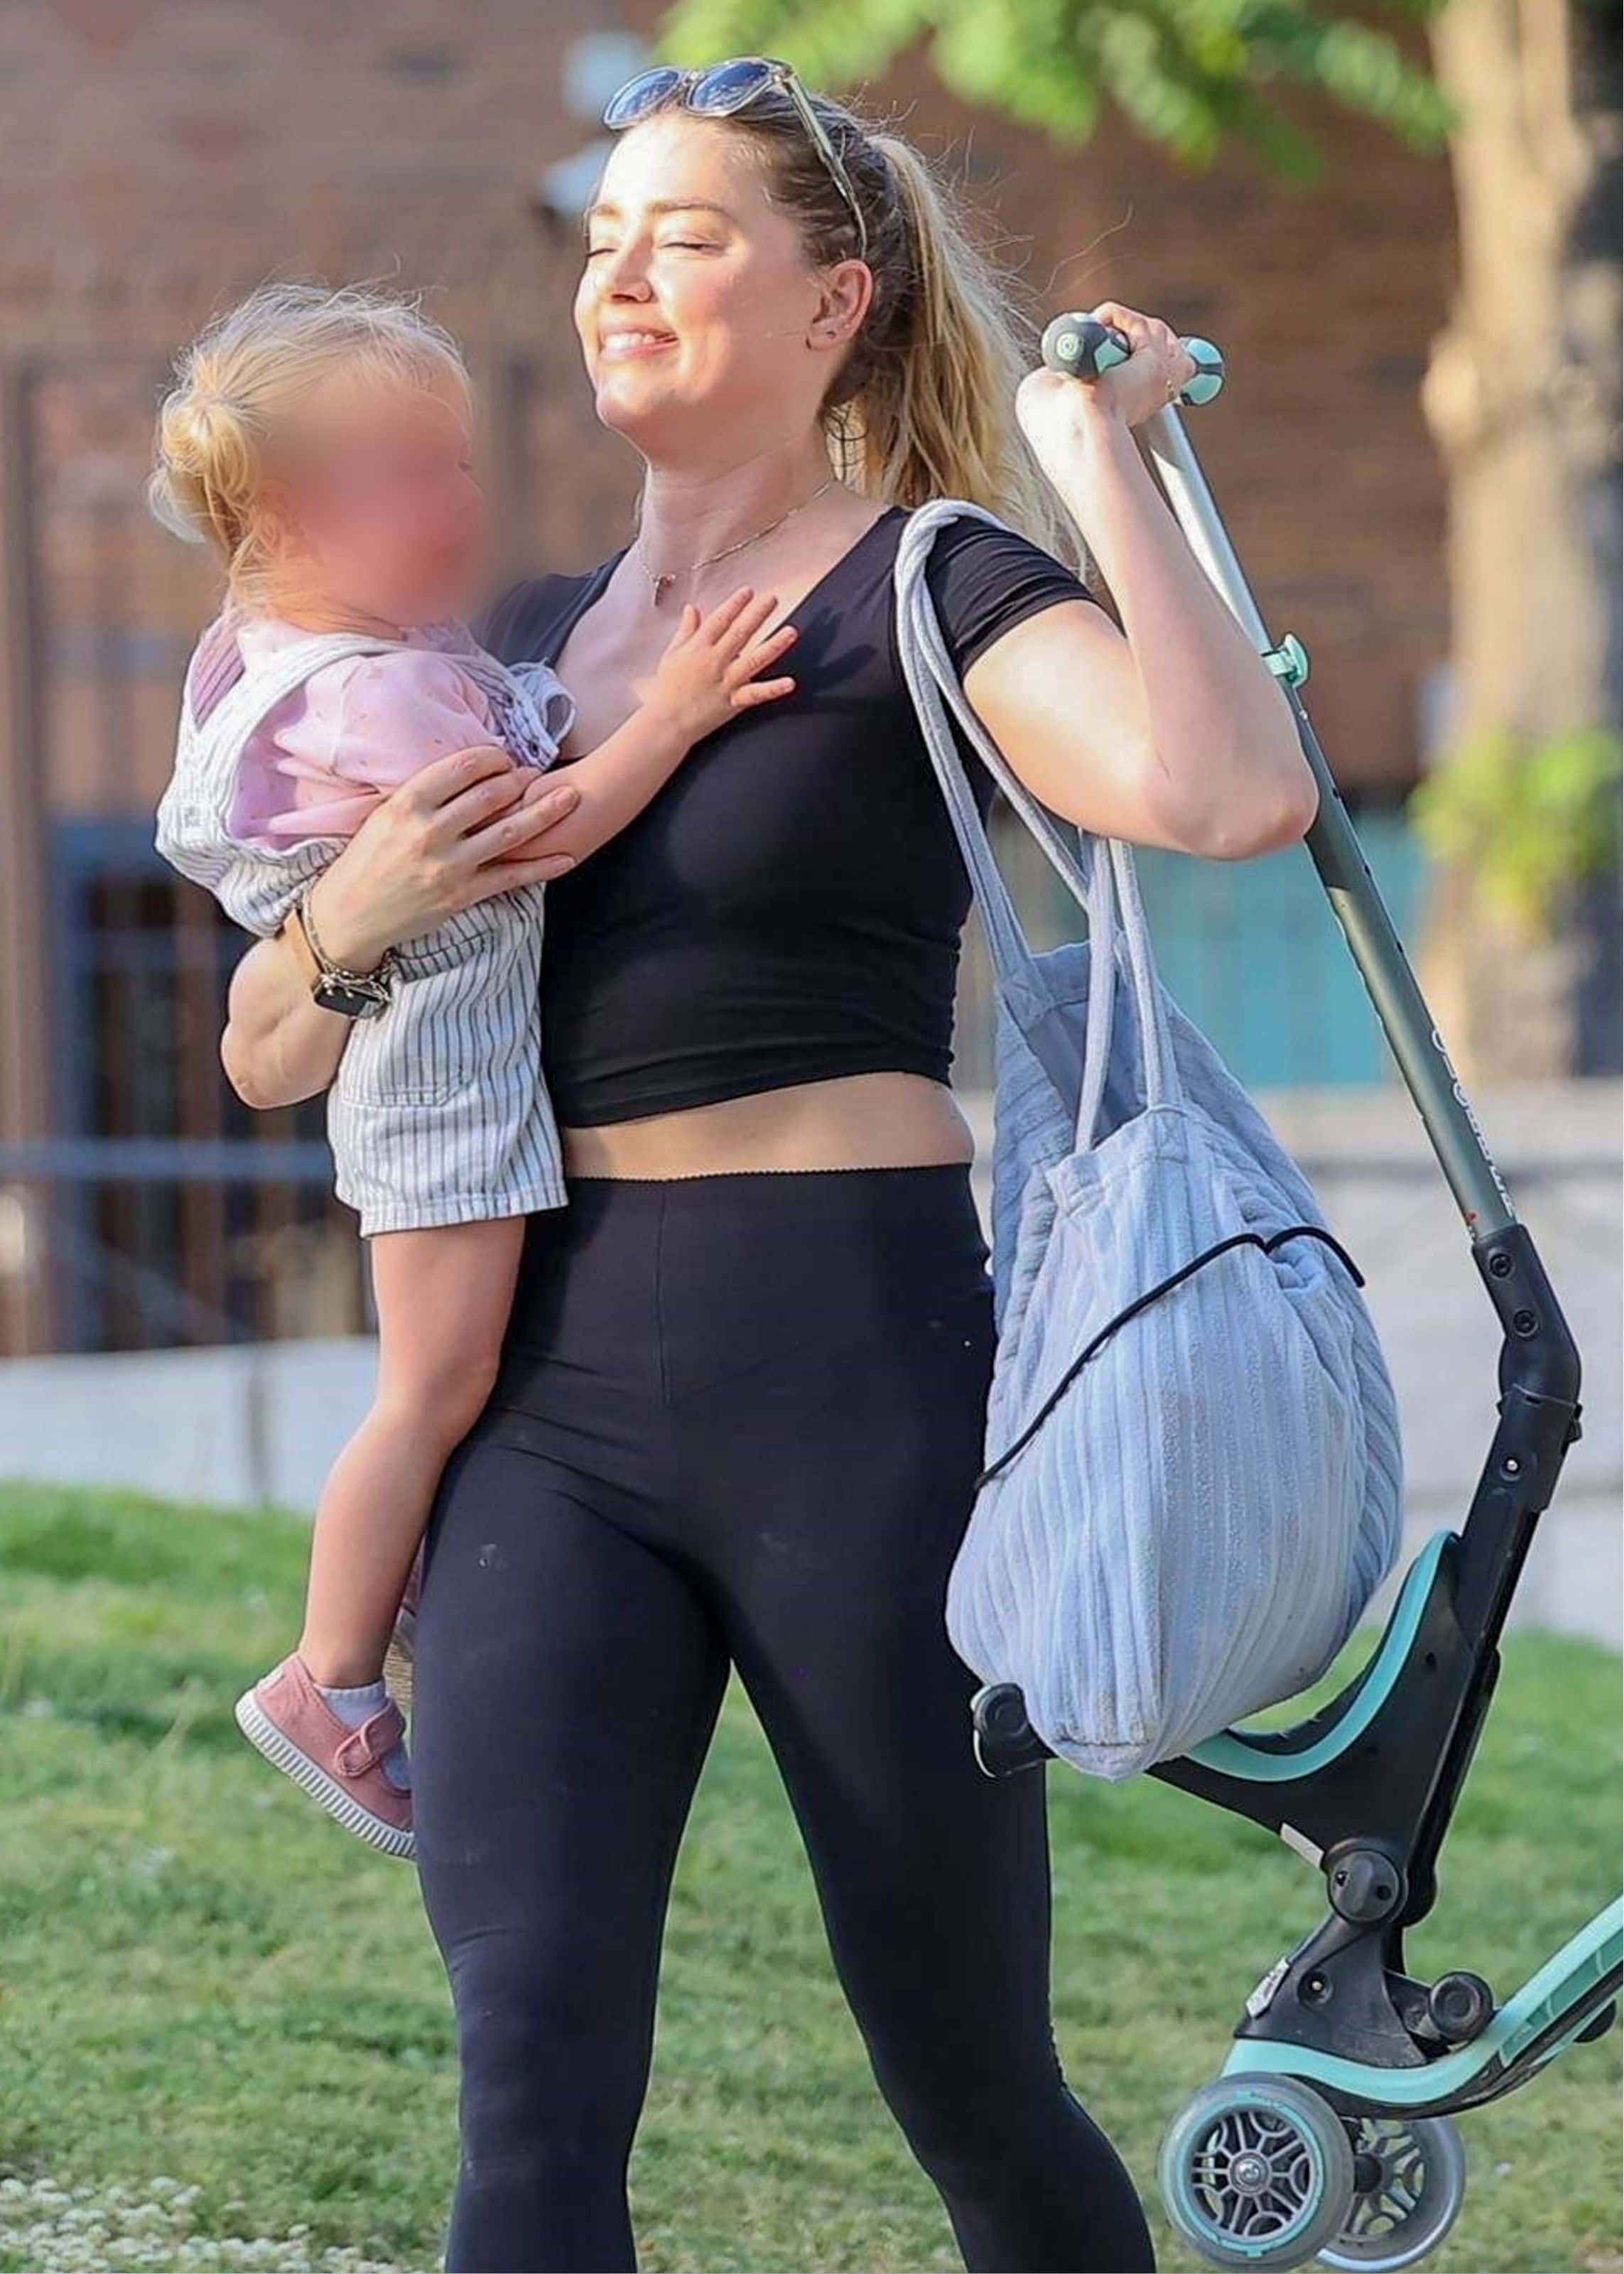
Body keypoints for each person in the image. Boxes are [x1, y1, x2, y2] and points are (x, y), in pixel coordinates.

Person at [219, 60, 1315, 2274]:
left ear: (834, 302)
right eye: (604, 228)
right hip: (540, 1393)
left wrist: (1099, 454)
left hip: (854, 1370)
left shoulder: (935, 580)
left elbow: (1227, 798)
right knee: (524, 2078)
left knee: (965, 2075)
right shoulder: (498, 652)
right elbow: (263, 1048)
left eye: (683, 232)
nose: (619, 268)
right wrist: (356, 909)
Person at [152, 280, 796, 1860]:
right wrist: (682, 711)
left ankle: (407, 1592)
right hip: (441, 1088)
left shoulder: (283, 654)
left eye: (459, 465)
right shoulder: (386, 692)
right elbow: (550, 827)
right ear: (293, 511)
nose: (463, 503)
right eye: (415, 475)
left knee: (453, 1378)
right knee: (429, 1384)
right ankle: (330, 1675)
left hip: (416, 1068)